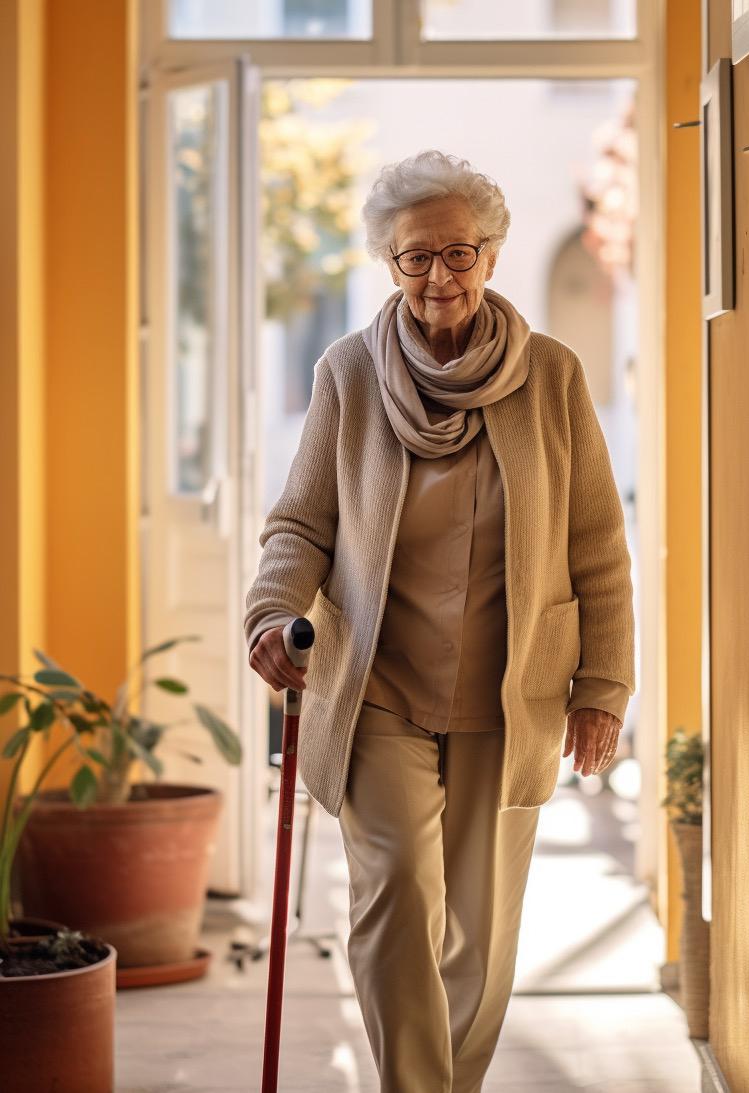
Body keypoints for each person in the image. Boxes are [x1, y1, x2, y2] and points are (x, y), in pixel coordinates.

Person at [243, 149, 636, 1093]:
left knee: (480, 925)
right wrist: (271, 607)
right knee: (395, 895)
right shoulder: (348, 375)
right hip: (375, 684)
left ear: (492, 256)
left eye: (457, 253)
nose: (438, 278)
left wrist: (603, 686)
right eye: (415, 258)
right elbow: (302, 520)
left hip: (509, 694)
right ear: (389, 263)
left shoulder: (551, 377)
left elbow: (597, 546)